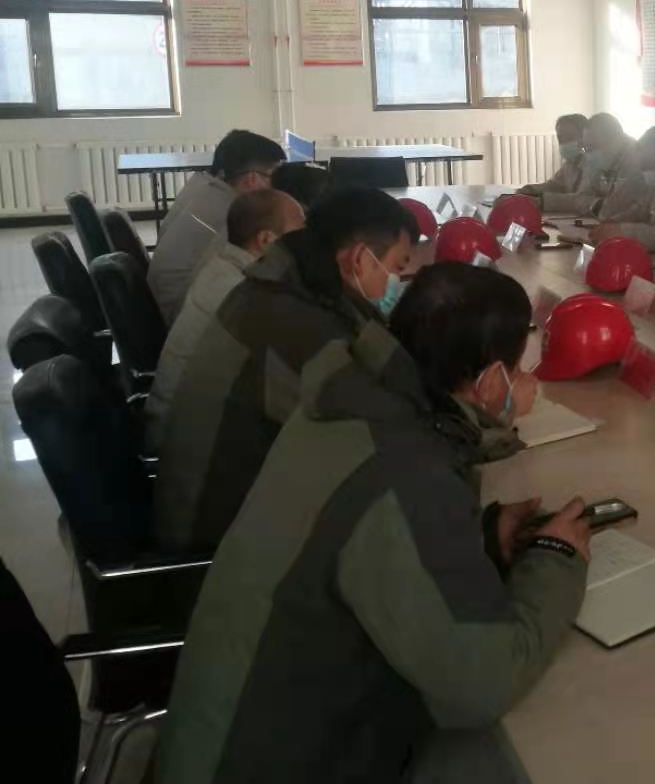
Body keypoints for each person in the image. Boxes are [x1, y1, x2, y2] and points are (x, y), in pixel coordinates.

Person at [154, 263, 591, 784]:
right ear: (491, 380)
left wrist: (480, 536)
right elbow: (481, 685)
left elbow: (372, 544)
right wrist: (555, 560)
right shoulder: (406, 469)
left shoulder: (353, 404)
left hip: (234, 736)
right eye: (517, 371)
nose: (522, 383)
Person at [151, 187, 427, 555]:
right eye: (398, 268)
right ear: (361, 259)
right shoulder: (296, 326)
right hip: (217, 549)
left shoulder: (278, 286)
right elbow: (378, 433)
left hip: (219, 509)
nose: (396, 283)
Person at [143, 190, 306, 455]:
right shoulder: (242, 292)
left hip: (183, 425)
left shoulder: (224, 266)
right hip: (187, 445)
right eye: (300, 232)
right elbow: (295, 384)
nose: (307, 242)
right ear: (266, 240)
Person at [148, 129, 284, 324]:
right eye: (274, 176)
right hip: (180, 314)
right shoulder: (231, 215)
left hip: (164, 305)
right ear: (252, 179)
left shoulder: (204, 186)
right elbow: (260, 267)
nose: (277, 185)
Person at [536, 112, 644, 218]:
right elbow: (581, 198)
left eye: (592, 147)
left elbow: (613, 209)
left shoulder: (635, 161)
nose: (588, 154)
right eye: (586, 148)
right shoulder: (603, 159)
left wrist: (594, 203)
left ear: (614, 141)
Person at [519, 113, 588, 200]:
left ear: (586, 137)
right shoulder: (569, 165)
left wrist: (544, 201)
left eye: (570, 137)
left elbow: (581, 200)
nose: (564, 142)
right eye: (560, 138)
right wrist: (530, 189)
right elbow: (553, 185)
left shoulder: (593, 166)